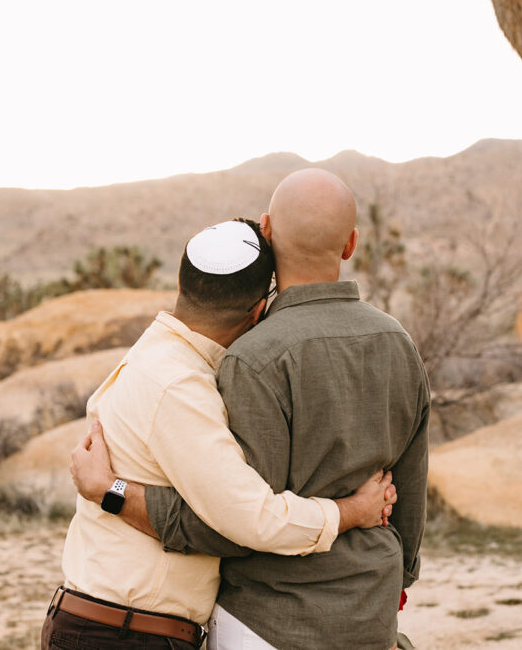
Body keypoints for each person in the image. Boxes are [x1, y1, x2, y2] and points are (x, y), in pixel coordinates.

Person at [73, 170, 430, 649]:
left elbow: (233, 524)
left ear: (267, 229)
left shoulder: (251, 358)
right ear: (350, 244)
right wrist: (393, 578)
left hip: (267, 620)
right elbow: (409, 486)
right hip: (371, 612)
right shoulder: (399, 343)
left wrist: (111, 491)